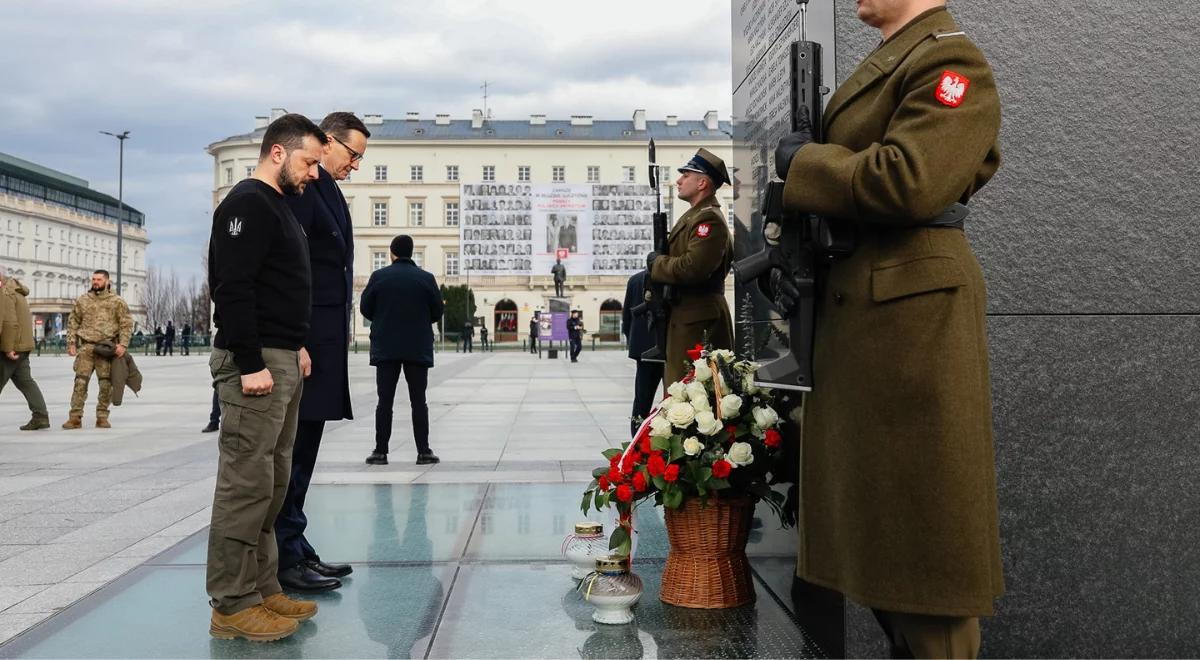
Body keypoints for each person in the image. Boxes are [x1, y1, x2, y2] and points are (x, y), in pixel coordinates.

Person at [769, 1, 1004, 656]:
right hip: (869, 324)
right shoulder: (895, 58)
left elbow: (912, 180)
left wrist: (806, 165)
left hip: (911, 329)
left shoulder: (950, 61)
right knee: (885, 555)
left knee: (928, 575)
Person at [205, 112, 326, 642]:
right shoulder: (247, 204)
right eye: (309, 161)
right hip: (253, 365)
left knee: (273, 482)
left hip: (280, 357)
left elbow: (276, 286)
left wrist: (293, 343)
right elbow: (232, 287)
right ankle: (231, 603)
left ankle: (262, 586)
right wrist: (252, 361)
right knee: (245, 483)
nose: (315, 173)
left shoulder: (279, 206)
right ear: (278, 152)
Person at [274, 111, 370, 594]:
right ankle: (286, 556)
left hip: (325, 337)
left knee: (306, 449)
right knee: (295, 451)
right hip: (309, 338)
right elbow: (295, 267)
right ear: (328, 142)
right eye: (353, 154)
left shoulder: (327, 189)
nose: (356, 165)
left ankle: (297, 542)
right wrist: (300, 339)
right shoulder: (306, 189)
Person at [645, 148, 734, 386]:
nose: (678, 181)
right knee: (680, 393)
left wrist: (657, 263)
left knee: (692, 394)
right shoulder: (693, 216)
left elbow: (692, 267)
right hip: (687, 316)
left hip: (699, 320)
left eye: (686, 175)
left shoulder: (708, 219)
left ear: (702, 182)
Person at [360, 234, 443, 467]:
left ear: (391, 253)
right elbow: (437, 311)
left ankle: (380, 452)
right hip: (417, 347)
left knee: (384, 401)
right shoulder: (426, 279)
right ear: (412, 252)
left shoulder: (379, 277)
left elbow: (365, 307)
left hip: (386, 348)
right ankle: (423, 452)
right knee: (419, 401)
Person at [63, 269, 133, 429]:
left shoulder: (117, 301)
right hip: (86, 348)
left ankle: (102, 416)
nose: (95, 282)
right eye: (94, 279)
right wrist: (71, 343)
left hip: (106, 348)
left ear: (107, 281)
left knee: (106, 384)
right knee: (80, 382)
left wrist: (123, 344)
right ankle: (75, 417)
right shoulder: (83, 300)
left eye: (99, 279)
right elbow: (73, 322)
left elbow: (126, 323)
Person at [0, 266, 50, 430]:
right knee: (25, 381)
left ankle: (40, 416)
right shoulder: (16, 290)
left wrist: (8, 348)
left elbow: (9, 322)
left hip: (12, 346)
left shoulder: (5, 293)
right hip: (22, 345)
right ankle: (40, 416)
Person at [621, 269, 661, 437]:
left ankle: (635, 441)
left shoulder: (635, 279)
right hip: (664, 343)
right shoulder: (669, 277)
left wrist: (634, 341)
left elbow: (627, 316)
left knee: (641, 399)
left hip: (642, 348)